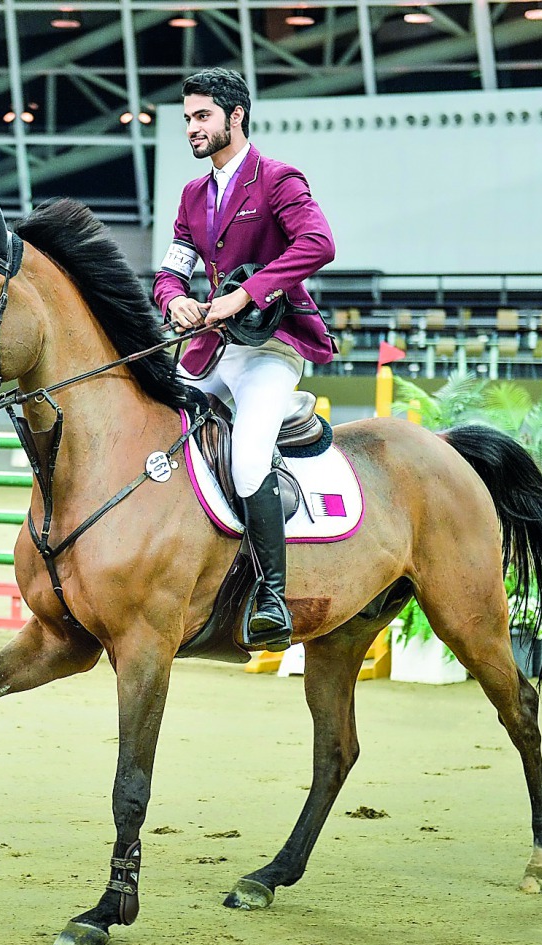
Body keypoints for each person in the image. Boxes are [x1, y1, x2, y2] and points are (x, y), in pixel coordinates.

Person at [152, 67, 336, 650]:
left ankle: (271, 596)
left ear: (236, 117)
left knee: (249, 457)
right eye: (186, 119)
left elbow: (319, 244)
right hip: (212, 350)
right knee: (158, 432)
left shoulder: (278, 180)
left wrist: (242, 295)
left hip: (269, 348)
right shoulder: (192, 195)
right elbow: (170, 268)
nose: (192, 128)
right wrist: (175, 299)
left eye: (201, 116)